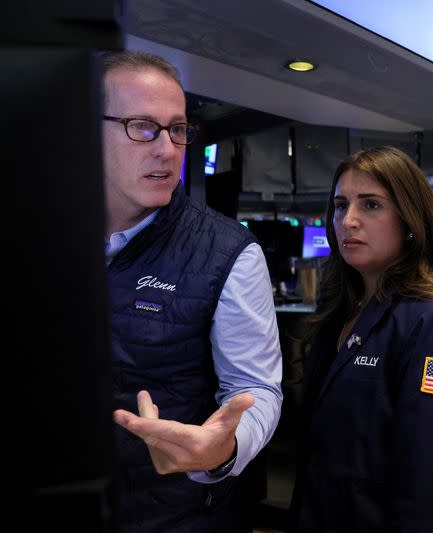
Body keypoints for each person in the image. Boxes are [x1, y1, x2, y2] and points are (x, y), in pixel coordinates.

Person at [103, 51, 283, 532]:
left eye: (177, 129)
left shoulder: (228, 250)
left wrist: (222, 450)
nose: (167, 149)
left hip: (173, 515)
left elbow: (255, 391)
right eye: (142, 126)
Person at [290, 146, 433, 532]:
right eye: (341, 205)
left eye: (371, 205)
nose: (349, 221)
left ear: (410, 219)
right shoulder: (341, 315)